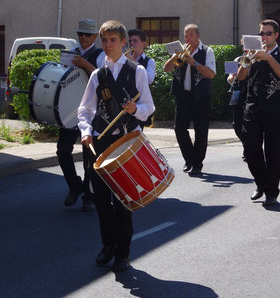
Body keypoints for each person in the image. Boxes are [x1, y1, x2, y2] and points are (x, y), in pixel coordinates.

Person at [78, 20, 155, 272]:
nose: (108, 45)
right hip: (101, 142)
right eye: (105, 40)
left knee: (123, 200)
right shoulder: (96, 75)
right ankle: (107, 244)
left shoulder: (138, 72)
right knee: (101, 200)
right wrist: (86, 131)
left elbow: (149, 107)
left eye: (113, 40)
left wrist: (136, 109)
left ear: (124, 43)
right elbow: (85, 109)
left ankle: (123, 252)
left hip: (126, 142)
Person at [237, 19, 280, 206]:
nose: (264, 37)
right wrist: (247, 60)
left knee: (274, 152)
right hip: (253, 107)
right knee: (250, 148)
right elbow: (241, 77)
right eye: (261, 33)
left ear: (276, 35)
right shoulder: (252, 53)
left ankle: (271, 192)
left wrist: (268, 58)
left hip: (275, 109)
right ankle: (261, 183)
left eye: (268, 34)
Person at [58, 19, 105, 212]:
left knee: (89, 157)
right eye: (80, 34)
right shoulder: (72, 54)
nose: (82, 38)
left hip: (91, 111)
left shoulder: (101, 55)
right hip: (69, 110)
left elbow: (103, 78)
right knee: (62, 151)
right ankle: (74, 187)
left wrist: (85, 63)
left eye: (86, 35)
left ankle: (89, 195)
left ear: (94, 37)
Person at [163, 24, 216, 175]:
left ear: (198, 36)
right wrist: (175, 56)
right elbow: (166, 69)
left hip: (201, 97)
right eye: (186, 35)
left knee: (201, 131)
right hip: (183, 95)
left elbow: (211, 74)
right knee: (179, 128)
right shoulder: (180, 51)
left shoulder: (207, 51)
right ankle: (189, 159)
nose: (187, 39)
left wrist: (195, 63)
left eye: (190, 35)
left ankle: (197, 163)